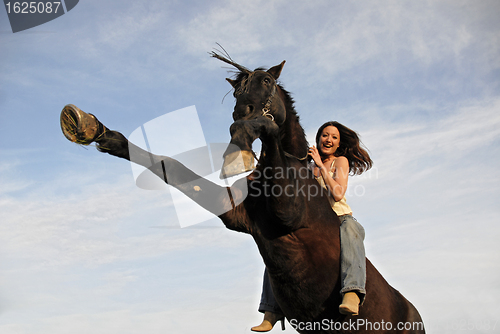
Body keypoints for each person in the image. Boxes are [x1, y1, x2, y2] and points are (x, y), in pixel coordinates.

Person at [251, 121, 373, 332]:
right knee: (279, 246)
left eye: (334, 137)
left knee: (351, 231)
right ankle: (271, 310)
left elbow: (337, 193)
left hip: (339, 218)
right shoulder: (306, 166)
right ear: (318, 139)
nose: (329, 140)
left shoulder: (340, 161)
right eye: (325, 135)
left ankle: (352, 292)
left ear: (338, 144)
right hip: (312, 223)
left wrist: (321, 165)